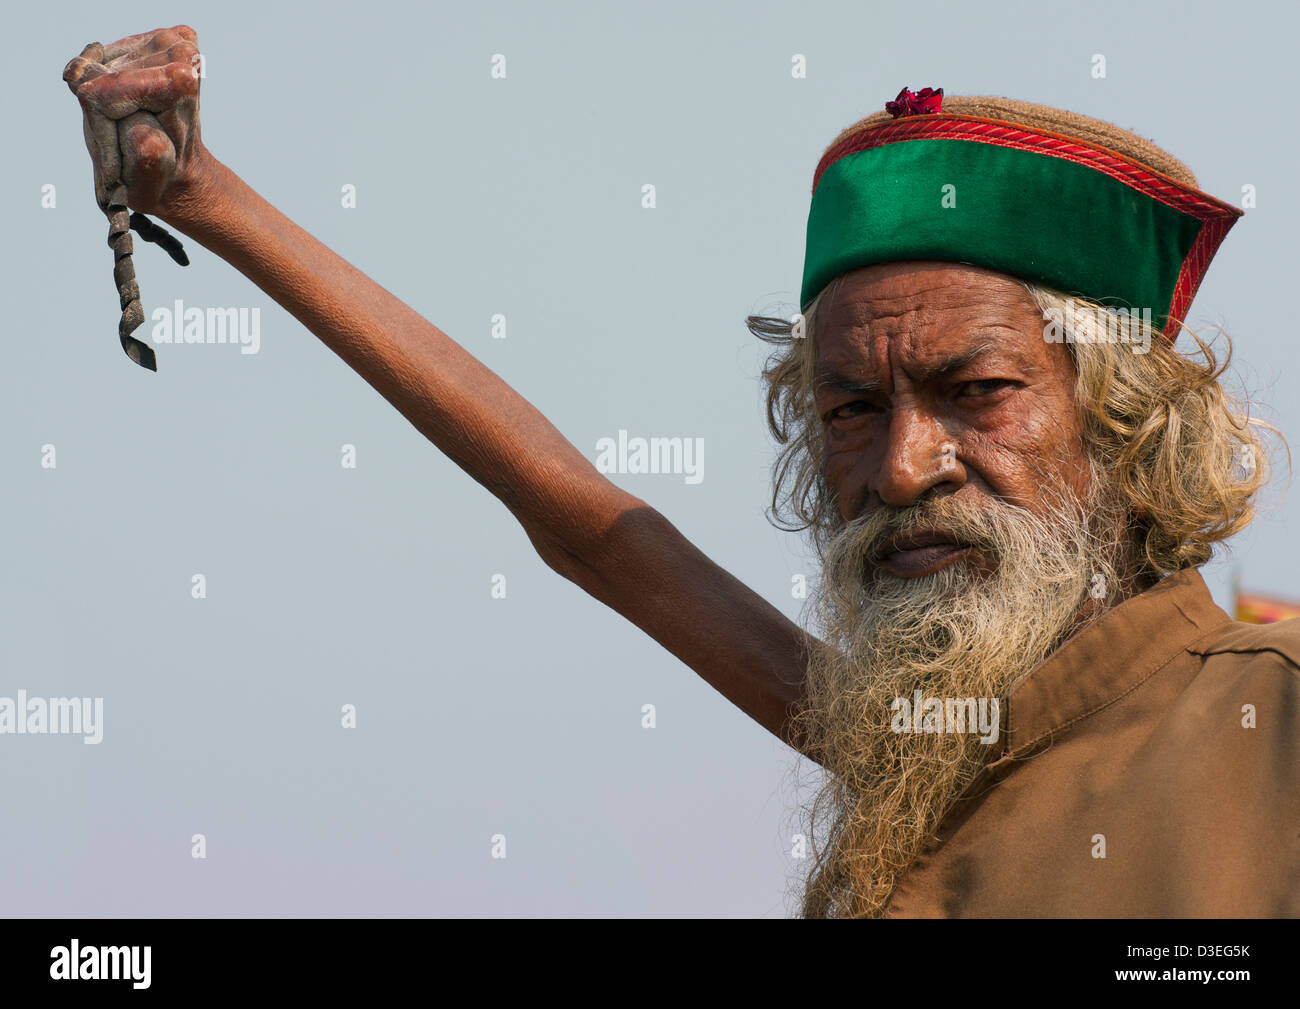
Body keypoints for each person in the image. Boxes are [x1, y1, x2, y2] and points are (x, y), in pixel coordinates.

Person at [64, 28, 1299, 918]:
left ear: (1131, 426)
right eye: (851, 410)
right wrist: (210, 198)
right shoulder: (922, 742)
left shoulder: (1266, 720)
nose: (903, 467)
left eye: (976, 393)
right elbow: (600, 533)